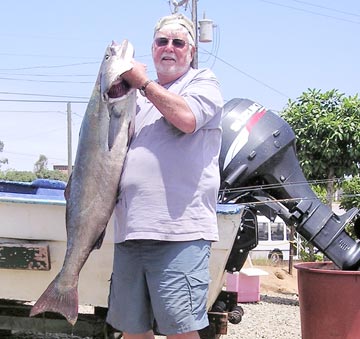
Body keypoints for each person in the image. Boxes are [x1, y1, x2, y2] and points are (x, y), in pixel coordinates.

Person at [106, 13, 223, 339]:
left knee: (181, 331)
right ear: (153, 48)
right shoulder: (134, 97)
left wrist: (143, 82)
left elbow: (186, 118)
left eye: (178, 42)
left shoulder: (203, 82)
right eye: (162, 41)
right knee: (132, 330)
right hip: (130, 234)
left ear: (191, 52)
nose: (169, 48)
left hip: (180, 235)